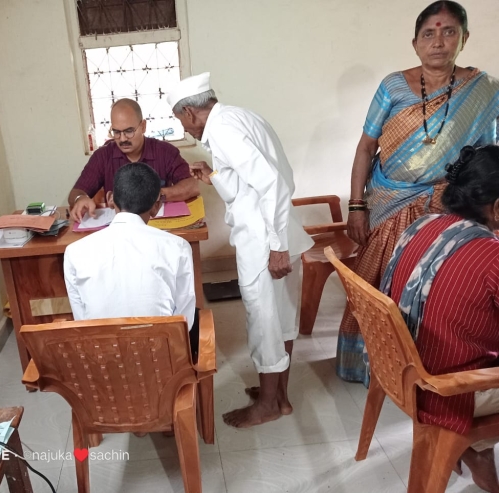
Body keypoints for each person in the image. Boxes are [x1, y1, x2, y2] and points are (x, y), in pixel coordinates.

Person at [337, 0, 499, 383]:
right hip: (388, 201)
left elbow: (488, 156)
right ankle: (372, 366)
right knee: (377, 282)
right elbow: (366, 147)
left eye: (448, 32)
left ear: (464, 38)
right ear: (415, 43)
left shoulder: (484, 90)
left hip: (450, 206)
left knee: (436, 286)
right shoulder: (393, 86)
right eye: (428, 34)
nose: (438, 42)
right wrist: (356, 206)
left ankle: (423, 367)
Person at [167, 72, 314, 428]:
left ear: (190, 112)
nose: (187, 130)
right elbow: (248, 186)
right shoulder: (240, 116)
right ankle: (280, 397)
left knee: (263, 320)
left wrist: (276, 247)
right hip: (278, 230)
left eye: (182, 122)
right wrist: (213, 175)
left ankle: (267, 405)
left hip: (264, 239)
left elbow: (272, 184)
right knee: (281, 318)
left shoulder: (222, 130)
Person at [380, 145, 499, 492]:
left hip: (400, 371)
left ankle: (475, 453)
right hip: (448, 390)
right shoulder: (491, 256)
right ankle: (472, 447)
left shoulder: (423, 224)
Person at [63, 162, 199, 355]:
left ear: (110, 199)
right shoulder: (178, 247)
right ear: (156, 206)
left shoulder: (74, 252)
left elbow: (82, 320)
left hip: (102, 362)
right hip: (161, 361)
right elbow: (185, 320)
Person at [68, 98, 199, 222]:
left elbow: (192, 186)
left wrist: (153, 194)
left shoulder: (164, 152)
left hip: (158, 227)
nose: (123, 139)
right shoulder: (103, 156)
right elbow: (76, 192)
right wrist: (80, 198)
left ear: (143, 126)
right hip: (120, 230)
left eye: (129, 131)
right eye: (117, 132)